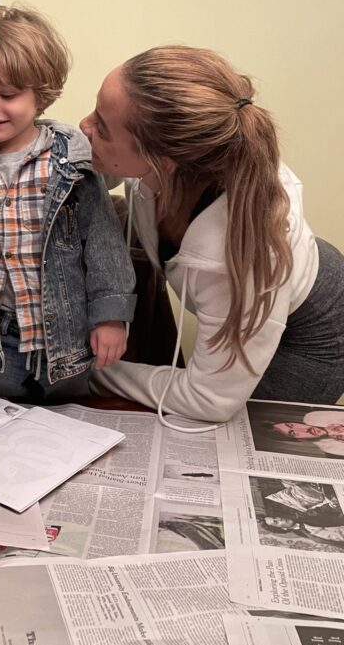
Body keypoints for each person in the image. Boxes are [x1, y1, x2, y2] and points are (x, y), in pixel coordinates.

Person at [81, 45, 344, 426]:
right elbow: (94, 166)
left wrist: (83, 371)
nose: (84, 127)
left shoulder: (243, 255)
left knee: (237, 431)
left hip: (312, 332)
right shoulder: (173, 158)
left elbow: (208, 399)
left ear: (163, 162)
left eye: (101, 127)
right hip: (259, 282)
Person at [0, 6, 136, 401]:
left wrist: (111, 316)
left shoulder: (73, 162)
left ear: (40, 93)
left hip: (66, 340)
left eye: (7, 95)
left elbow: (103, 243)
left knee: (69, 425)